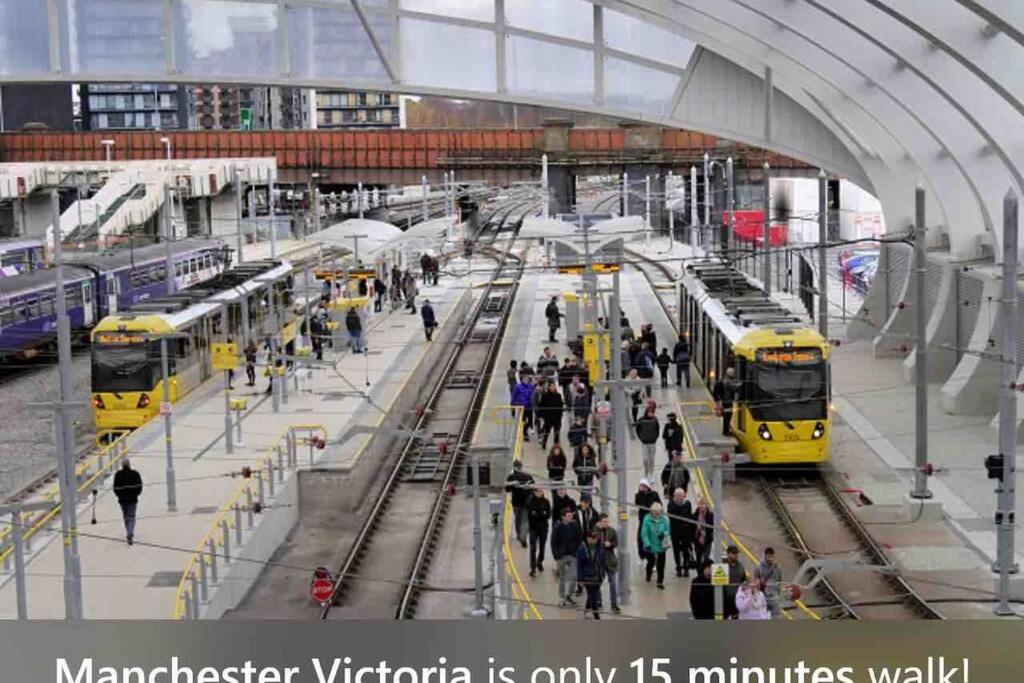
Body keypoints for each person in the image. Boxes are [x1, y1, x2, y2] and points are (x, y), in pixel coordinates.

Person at [551, 507, 582, 607]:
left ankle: (569, 595)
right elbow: (553, 542)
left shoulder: (575, 525)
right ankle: (562, 597)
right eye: (568, 516)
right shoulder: (558, 527)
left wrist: (576, 550)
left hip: (572, 555)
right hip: (561, 556)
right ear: (563, 517)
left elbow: (579, 538)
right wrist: (556, 556)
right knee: (562, 578)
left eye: (571, 515)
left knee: (574, 576)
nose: (570, 517)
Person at [576, 528, 606, 619]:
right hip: (587, 577)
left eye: (595, 538)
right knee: (593, 596)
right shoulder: (582, 549)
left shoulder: (600, 547)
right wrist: (580, 579)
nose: (594, 540)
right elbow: (579, 565)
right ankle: (596, 617)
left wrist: (603, 574)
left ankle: (587, 610)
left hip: (598, 576)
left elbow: (603, 561)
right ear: (587, 538)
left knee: (592, 595)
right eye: (592, 538)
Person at [503, 461, 534, 548]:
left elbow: (507, 489)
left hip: (516, 502)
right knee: (525, 520)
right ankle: (523, 536)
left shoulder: (511, 477)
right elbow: (532, 487)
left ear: (514, 467)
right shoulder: (528, 476)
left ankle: (519, 534)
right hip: (526, 502)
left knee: (518, 519)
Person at [113, 459, 143, 545]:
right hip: (133, 499)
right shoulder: (135, 474)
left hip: (122, 500)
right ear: (129, 465)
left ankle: (129, 531)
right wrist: (136, 494)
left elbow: (115, 488)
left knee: (125, 516)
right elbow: (139, 486)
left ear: (122, 465)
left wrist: (119, 495)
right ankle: (130, 532)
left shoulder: (118, 474)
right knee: (131, 516)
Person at [641, 502, 670, 588]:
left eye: (658, 513)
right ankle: (648, 574)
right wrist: (647, 543)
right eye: (655, 513)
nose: (657, 515)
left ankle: (660, 581)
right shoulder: (647, 519)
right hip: (650, 545)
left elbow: (668, 530)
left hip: (661, 545)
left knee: (661, 564)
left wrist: (664, 534)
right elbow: (644, 533)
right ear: (652, 512)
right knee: (651, 562)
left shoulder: (664, 519)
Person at [666, 488, 694, 577]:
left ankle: (686, 567)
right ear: (674, 496)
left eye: (681, 496)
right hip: (675, 531)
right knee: (676, 550)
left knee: (686, 550)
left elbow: (689, 516)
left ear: (684, 496)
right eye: (677, 496)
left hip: (686, 531)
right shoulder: (670, 504)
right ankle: (678, 567)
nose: (679, 498)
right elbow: (670, 517)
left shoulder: (688, 504)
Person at [596, 514, 621, 614]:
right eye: (604, 521)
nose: (606, 523)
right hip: (599, 561)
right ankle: (598, 602)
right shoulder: (594, 531)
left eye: (607, 521)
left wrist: (610, 544)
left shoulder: (611, 531)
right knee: (597, 583)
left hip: (610, 561)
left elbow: (616, 542)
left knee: (613, 583)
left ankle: (614, 605)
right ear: (599, 522)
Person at [634, 479, 661, 563]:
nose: (642, 487)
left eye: (644, 486)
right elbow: (638, 503)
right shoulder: (638, 495)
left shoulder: (654, 494)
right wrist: (642, 493)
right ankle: (642, 556)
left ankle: (653, 559)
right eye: (641, 486)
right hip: (643, 520)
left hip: (653, 519)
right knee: (640, 538)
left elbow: (659, 504)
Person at [526, 487, 551, 577]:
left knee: (542, 546)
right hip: (533, 528)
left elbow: (548, 515)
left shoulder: (546, 502)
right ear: (534, 492)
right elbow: (530, 515)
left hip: (543, 528)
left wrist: (537, 514)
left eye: (540, 491)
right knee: (533, 548)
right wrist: (541, 514)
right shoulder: (530, 502)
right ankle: (533, 567)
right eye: (537, 491)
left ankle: (540, 561)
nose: (539, 493)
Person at [754, 547, 783, 619]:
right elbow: (756, 582)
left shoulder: (777, 568)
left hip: (774, 598)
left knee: (776, 618)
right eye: (769, 557)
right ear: (765, 556)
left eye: (772, 557)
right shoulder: (759, 567)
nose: (771, 559)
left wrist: (778, 595)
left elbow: (779, 582)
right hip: (763, 598)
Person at [635, 405, 660, 480]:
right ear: (646, 412)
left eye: (652, 412)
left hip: (652, 442)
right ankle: (646, 472)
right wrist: (641, 437)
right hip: (644, 443)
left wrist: (655, 437)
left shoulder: (655, 419)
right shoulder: (641, 420)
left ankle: (651, 474)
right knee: (645, 459)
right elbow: (637, 429)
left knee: (651, 459)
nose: (651, 414)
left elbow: (657, 429)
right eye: (650, 412)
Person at [712, 367, 740, 437]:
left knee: (726, 417)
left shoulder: (724, 380)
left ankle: (726, 430)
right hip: (727, 402)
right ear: (730, 374)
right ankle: (726, 431)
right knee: (727, 417)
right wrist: (742, 385)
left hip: (724, 401)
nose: (734, 375)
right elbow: (734, 388)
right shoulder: (728, 382)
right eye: (733, 373)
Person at [538, 381, 564, 449]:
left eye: (554, 386)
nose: (553, 387)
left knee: (557, 433)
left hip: (557, 418)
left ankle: (556, 446)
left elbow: (561, 406)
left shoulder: (558, 395)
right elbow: (541, 406)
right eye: (551, 386)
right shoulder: (545, 396)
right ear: (549, 387)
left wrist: (560, 415)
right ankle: (544, 443)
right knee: (547, 432)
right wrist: (542, 416)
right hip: (548, 418)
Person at [723, 544, 747, 619]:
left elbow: (744, 580)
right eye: (733, 553)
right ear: (728, 554)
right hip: (724, 599)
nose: (736, 555)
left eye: (737, 553)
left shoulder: (741, 567)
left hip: (736, 599)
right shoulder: (722, 565)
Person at [511, 376, 536, 441]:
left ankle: (524, 430)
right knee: (523, 420)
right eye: (525, 379)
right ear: (522, 380)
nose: (526, 380)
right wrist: (513, 404)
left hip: (529, 406)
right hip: (522, 407)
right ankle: (525, 434)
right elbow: (514, 395)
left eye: (527, 379)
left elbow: (533, 392)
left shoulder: (530, 386)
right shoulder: (518, 386)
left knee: (530, 421)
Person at [692, 498, 714, 566]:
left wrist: (704, 529)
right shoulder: (694, 515)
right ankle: (699, 570)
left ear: (706, 505)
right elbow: (692, 528)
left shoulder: (711, 515)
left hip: (707, 540)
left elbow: (712, 528)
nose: (701, 506)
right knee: (698, 558)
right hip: (697, 541)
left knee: (706, 558)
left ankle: (705, 570)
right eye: (700, 504)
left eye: (703, 504)